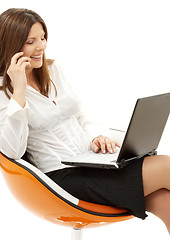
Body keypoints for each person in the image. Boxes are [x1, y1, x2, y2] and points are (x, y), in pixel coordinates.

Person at [0, 8, 170, 234]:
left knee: (165, 202)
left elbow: (80, 118)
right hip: (59, 181)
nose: (41, 46)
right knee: (167, 166)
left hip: (90, 161)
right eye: (31, 41)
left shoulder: (53, 70)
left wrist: (96, 137)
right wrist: (19, 90)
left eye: (43, 38)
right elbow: (11, 151)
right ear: (12, 45)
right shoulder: (5, 92)